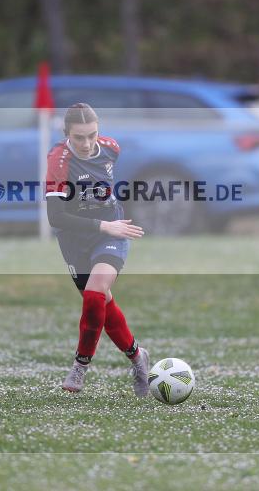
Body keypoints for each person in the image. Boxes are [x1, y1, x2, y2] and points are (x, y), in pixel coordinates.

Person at [45, 103, 150, 395]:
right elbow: (56, 217)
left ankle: (80, 367)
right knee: (101, 302)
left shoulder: (111, 147)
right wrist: (102, 225)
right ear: (66, 134)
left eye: (92, 135)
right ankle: (138, 358)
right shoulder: (58, 160)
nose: (87, 143)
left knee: (94, 295)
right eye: (79, 137)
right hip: (75, 239)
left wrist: (110, 225)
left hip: (112, 232)